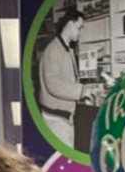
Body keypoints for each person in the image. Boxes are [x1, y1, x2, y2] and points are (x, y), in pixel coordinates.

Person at [38, 9, 96, 148]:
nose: (81, 32)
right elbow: (54, 84)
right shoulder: (53, 50)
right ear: (70, 25)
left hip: (65, 116)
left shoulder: (66, 49)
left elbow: (69, 79)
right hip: (56, 118)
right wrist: (82, 91)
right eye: (79, 27)